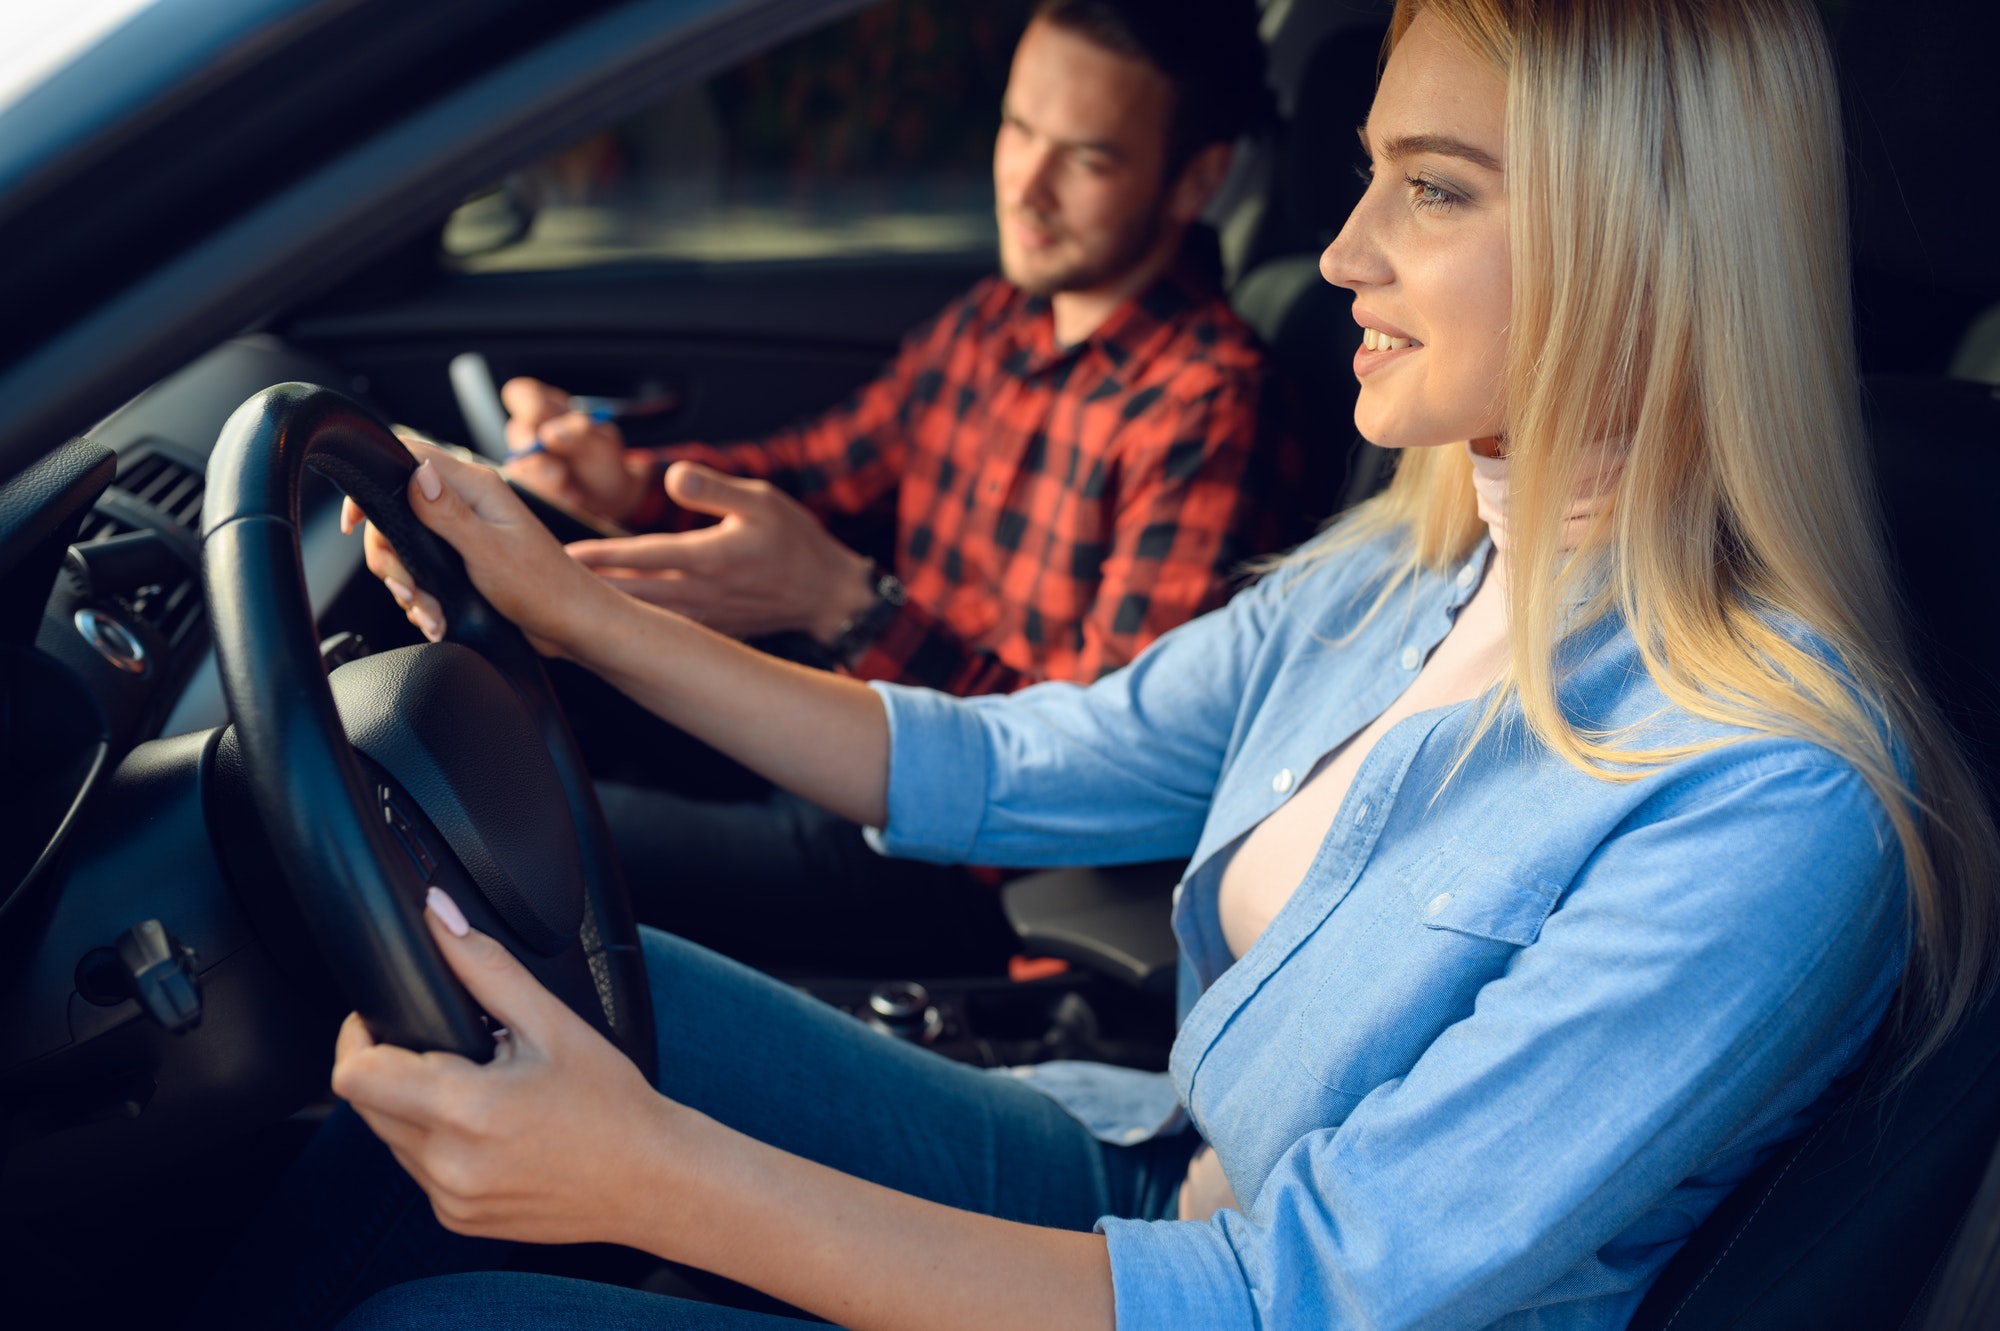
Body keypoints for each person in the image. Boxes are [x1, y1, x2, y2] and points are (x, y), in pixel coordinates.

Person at [217, 0, 1999, 1326]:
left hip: (1229, 1294)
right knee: (582, 1009)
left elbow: (1307, 1299)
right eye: (1366, 172)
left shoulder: (1771, 802)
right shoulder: (1407, 567)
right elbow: (1001, 763)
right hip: (1149, 1165)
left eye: (1432, 192)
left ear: (1647, 246)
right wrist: (578, 606)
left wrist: (655, 1184)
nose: (1343, 251)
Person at [396, 0, 1290, 975]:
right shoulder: (1000, 318)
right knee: (467, 713)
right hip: (831, 724)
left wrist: (847, 605)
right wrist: (635, 484)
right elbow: (818, 464)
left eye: (1087, 158)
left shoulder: (1205, 404)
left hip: (960, 861)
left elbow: (1101, 768)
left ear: (1193, 179)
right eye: (1016, 129)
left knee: (472, 822)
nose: (1024, 186)